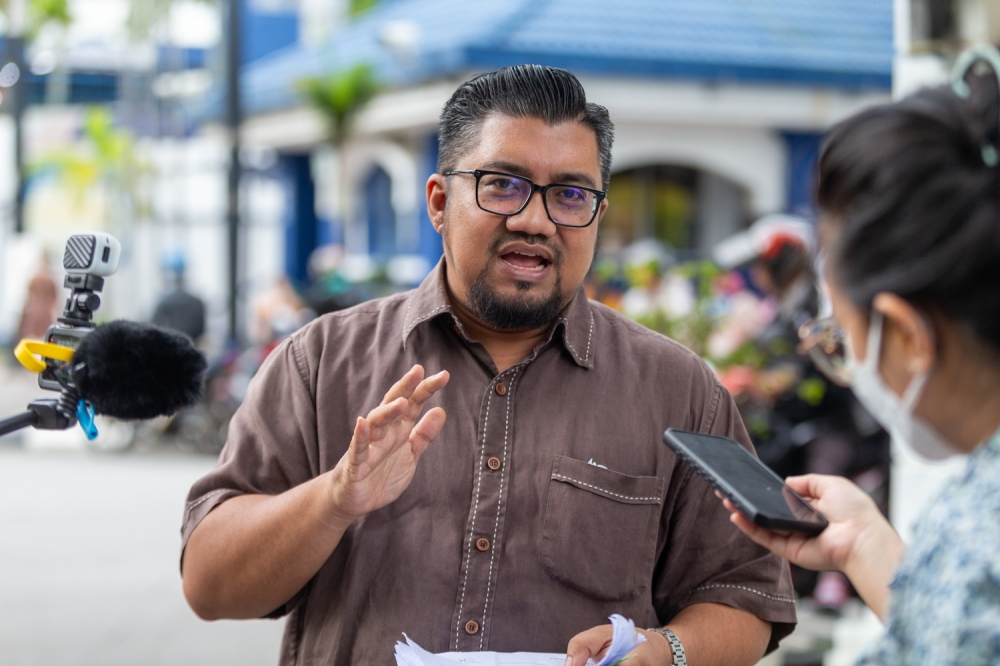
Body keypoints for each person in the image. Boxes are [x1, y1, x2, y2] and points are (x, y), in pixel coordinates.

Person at [180, 65, 796, 666]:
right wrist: (334, 499)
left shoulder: (678, 391)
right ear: (441, 202)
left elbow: (746, 597)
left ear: (597, 218)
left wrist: (668, 651)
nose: (535, 219)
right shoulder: (318, 364)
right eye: (502, 184)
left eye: (571, 194)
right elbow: (209, 586)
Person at [721, 45, 1000, 664]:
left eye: (841, 339)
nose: (845, 363)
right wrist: (864, 546)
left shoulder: (980, 550)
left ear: (907, 336)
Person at [151, 252, 206, 344]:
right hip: (191, 351)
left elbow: (153, 328)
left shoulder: (164, 302)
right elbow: (201, 331)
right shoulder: (197, 302)